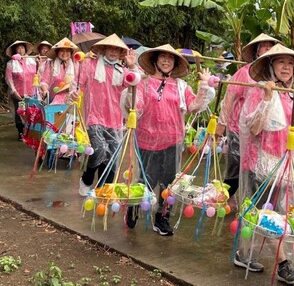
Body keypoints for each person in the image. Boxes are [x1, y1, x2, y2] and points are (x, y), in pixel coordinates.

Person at [237, 43, 294, 285]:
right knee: (264, 215)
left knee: (278, 213)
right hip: (261, 163)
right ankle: (282, 264)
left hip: (284, 163)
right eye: (281, 63)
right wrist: (268, 99)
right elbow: (254, 126)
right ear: (271, 66)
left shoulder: (292, 94)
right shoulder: (259, 90)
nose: (287, 68)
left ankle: (243, 253)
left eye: (290, 63)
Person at [123, 44, 215, 236]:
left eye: (170, 58)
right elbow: (135, 106)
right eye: (162, 57)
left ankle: (162, 217)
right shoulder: (144, 83)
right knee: (146, 180)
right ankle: (134, 207)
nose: (166, 61)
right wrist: (132, 73)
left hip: (173, 141)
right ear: (155, 61)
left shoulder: (181, 86)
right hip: (147, 140)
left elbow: (194, 106)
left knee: (169, 182)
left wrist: (204, 86)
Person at [216, 34, 283, 212]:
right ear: (256, 50)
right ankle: (228, 197)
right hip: (239, 128)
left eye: (271, 47)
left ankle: (254, 204)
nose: (267, 50)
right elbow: (229, 97)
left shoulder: (278, 76)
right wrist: (221, 125)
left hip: (265, 134)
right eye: (264, 46)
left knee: (255, 169)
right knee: (236, 165)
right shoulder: (245, 72)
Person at [74, 34, 137, 196]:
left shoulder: (122, 71)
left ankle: (103, 189)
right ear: (104, 49)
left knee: (112, 156)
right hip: (94, 117)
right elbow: (78, 86)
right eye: (111, 48)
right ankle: (87, 179)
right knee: (99, 149)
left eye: (117, 49)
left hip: (115, 119)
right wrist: (73, 95)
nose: (114, 52)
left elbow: (134, 87)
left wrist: (132, 67)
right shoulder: (89, 65)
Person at [5, 40, 37, 140]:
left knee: (32, 112)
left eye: (22, 48)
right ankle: (20, 132)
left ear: (25, 49)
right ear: (15, 50)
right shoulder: (10, 64)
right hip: (18, 93)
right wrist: (14, 91)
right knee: (20, 112)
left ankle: (30, 132)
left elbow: (37, 75)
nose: (20, 50)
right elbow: (9, 79)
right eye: (18, 48)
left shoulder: (32, 61)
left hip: (31, 92)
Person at [39, 38, 79, 104]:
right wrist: (45, 90)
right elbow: (44, 81)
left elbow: (78, 83)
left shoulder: (75, 64)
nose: (64, 53)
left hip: (70, 99)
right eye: (62, 51)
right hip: (53, 98)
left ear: (71, 52)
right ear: (57, 52)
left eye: (67, 51)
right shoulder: (50, 64)